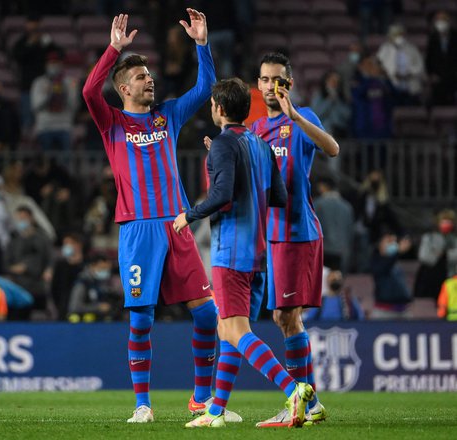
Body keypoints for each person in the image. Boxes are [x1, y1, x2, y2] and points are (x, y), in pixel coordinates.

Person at [82, 10, 240, 424]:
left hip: (177, 224)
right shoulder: (112, 122)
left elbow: (206, 87)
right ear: (122, 88)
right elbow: (87, 93)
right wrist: (114, 49)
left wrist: (202, 45)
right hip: (138, 230)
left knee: (207, 314)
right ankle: (142, 405)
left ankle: (201, 399)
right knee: (142, 319)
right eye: (139, 77)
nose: (149, 79)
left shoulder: (166, 115)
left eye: (149, 74)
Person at [173, 78, 313, 428]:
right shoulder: (261, 145)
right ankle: (216, 411)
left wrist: (188, 216)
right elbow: (279, 197)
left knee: (234, 331)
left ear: (219, 108)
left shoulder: (224, 144)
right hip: (260, 255)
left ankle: (293, 389)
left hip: (231, 252)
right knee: (228, 330)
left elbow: (221, 194)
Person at [251, 52, 340, 426]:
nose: (272, 86)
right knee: (284, 317)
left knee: (286, 316)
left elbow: (333, 148)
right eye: (266, 79)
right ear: (258, 85)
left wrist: (297, 118)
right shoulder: (254, 130)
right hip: (271, 236)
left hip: (296, 231)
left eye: (278, 79)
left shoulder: (302, 119)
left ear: (289, 83)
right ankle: (310, 400)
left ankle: (300, 401)